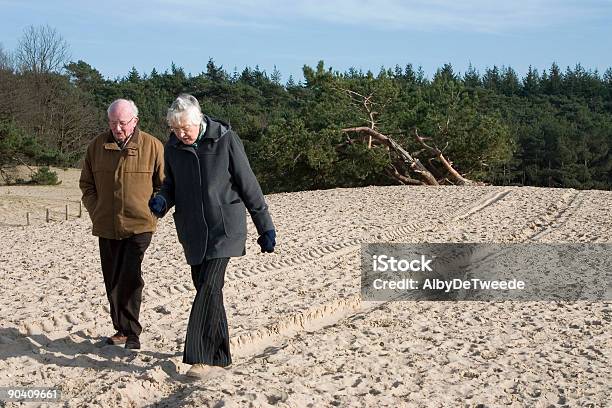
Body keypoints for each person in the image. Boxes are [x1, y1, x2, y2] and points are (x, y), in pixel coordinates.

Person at [148, 94, 276, 378]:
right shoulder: (172, 148)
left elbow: (248, 184)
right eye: (176, 129)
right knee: (209, 292)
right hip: (193, 231)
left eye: (185, 129)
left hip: (224, 229)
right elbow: (171, 184)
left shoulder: (225, 139)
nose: (181, 134)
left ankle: (200, 357)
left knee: (208, 287)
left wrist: (264, 226)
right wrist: (162, 200)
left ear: (199, 121)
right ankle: (220, 355)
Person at [79, 99, 164, 350]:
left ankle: (132, 332)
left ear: (135, 121)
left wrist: (153, 213)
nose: (118, 128)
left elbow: (164, 185)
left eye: (123, 123)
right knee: (113, 279)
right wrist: (96, 211)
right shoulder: (96, 147)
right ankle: (121, 329)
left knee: (130, 275)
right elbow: (86, 185)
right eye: (113, 123)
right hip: (106, 224)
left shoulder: (152, 146)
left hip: (140, 225)